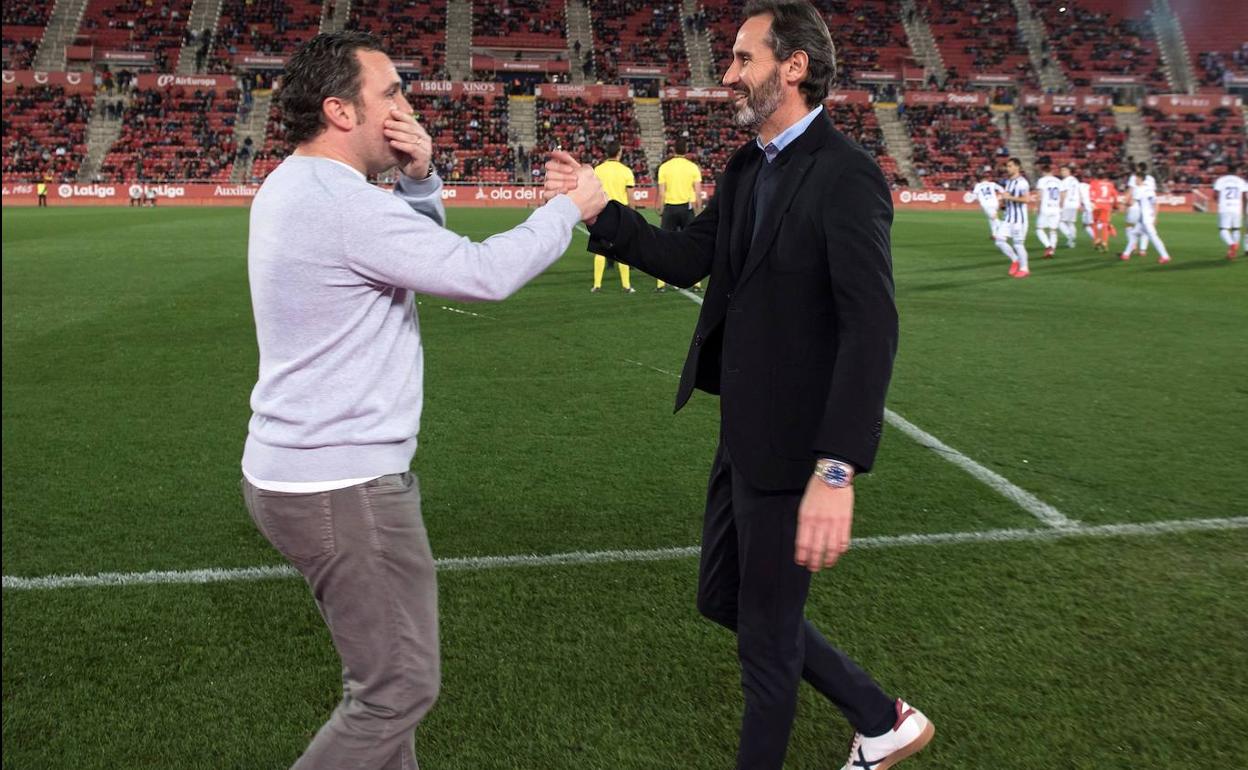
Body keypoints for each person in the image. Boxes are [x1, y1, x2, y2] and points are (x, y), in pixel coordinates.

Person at [545, 3, 933, 769]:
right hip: (745, 437)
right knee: (721, 599)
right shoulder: (749, 164)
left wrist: (836, 468)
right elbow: (688, 258)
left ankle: (871, 725)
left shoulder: (847, 175)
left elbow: (871, 328)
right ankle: (880, 718)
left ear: (793, 66)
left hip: (798, 451)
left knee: (765, 641)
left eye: (743, 58)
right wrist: (601, 210)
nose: (726, 73)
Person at [240, 31, 605, 770]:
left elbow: (406, 258)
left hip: (302, 471)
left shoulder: (301, 183)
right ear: (341, 112)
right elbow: (479, 273)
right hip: (341, 483)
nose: (409, 107)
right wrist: (568, 209)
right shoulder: (341, 203)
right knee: (395, 692)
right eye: (393, 93)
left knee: (383, 690)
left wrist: (418, 181)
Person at [655, 136, 704, 292]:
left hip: (670, 207)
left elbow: (662, 193)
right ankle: (696, 283)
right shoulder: (692, 167)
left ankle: (661, 284)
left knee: (663, 245)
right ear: (686, 150)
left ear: (673, 150)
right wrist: (698, 210)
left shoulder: (665, 167)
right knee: (692, 246)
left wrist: (660, 209)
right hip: (687, 209)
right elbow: (697, 193)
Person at [590, 140, 636, 293]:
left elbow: (592, 192)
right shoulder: (626, 171)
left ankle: (597, 285)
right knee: (622, 249)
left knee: (600, 249)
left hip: (602, 211)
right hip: (620, 213)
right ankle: (626, 286)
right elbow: (630, 198)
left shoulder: (598, 170)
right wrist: (633, 214)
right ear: (619, 153)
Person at [1119, 162, 1172, 264]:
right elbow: (1155, 203)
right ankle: (1126, 254)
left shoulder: (1139, 190)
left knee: (1153, 237)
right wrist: (1155, 216)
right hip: (1145, 217)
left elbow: (1132, 202)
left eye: (1136, 179)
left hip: (1145, 218)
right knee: (1134, 234)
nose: (1135, 180)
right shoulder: (1149, 189)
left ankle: (1165, 256)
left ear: (1140, 179)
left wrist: (1122, 205)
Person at [1000, 157, 1032, 277]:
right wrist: (1003, 203)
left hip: (1019, 220)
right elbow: (1008, 197)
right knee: (999, 240)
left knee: (1018, 244)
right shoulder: (1008, 182)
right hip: (1008, 218)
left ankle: (1024, 268)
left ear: (1017, 167)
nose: (1008, 168)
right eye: (1007, 166)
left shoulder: (1022, 182)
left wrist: (1010, 198)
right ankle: (1015, 260)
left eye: (1010, 166)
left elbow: (1026, 199)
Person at [1212, 170, 1245, 260]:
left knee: (1223, 229)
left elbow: (1215, 194)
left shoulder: (1221, 180)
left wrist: (1218, 202)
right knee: (1236, 229)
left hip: (1224, 208)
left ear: (1226, 171)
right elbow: (1245, 195)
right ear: (1236, 172)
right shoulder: (1241, 181)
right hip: (1237, 208)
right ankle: (1233, 252)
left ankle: (1232, 244)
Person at [1033, 161, 1062, 259]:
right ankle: (1052, 251)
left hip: (1046, 207)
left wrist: (1037, 207)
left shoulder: (1042, 180)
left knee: (1039, 229)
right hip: (1056, 208)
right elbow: (1063, 195)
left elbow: (1039, 195)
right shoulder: (1058, 181)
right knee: (1053, 230)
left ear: (1043, 172)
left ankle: (1048, 246)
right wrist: (1060, 206)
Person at [1088, 174, 1118, 252]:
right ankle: (1104, 242)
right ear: (1106, 178)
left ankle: (1097, 239)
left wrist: (1092, 202)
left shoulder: (1094, 183)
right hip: (1106, 205)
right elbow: (1115, 196)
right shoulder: (1110, 184)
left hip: (1096, 205)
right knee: (1104, 224)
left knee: (1095, 222)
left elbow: (1091, 193)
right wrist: (1115, 206)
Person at [1057, 164, 1081, 248]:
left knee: (1059, 222)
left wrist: (1060, 204)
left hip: (1067, 203)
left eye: (1064, 170)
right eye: (1061, 170)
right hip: (1075, 203)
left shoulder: (1065, 181)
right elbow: (1079, 192)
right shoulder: (1075, 180)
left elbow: (1064, 193)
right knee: (1070, 222)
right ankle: (1071, 242)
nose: (1062, 172)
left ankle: (1070, 236)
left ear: (1069, 171)